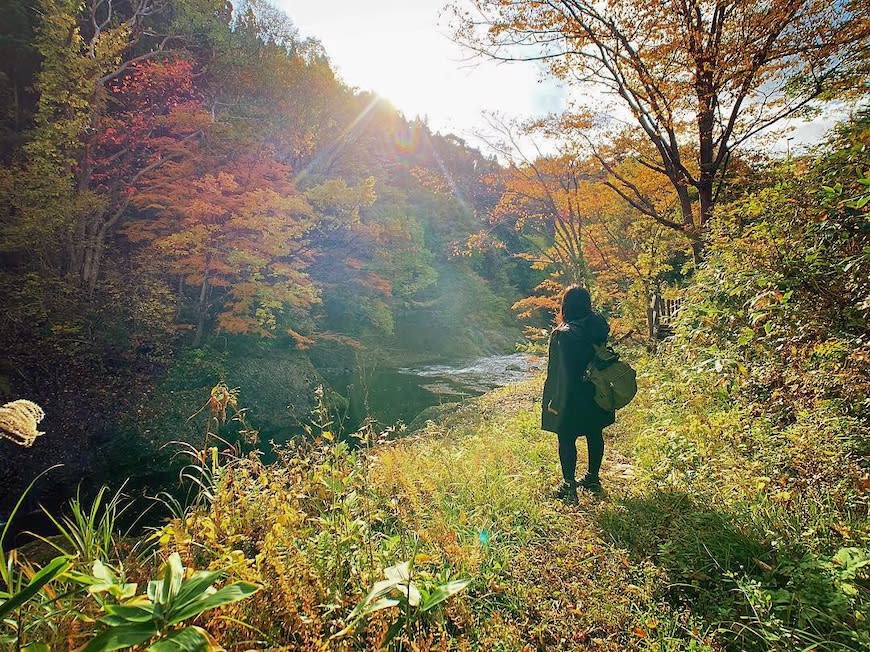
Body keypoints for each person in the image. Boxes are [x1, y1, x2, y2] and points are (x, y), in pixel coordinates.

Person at [541, 285, 614, 502]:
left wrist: (552, 400)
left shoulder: (562, 335)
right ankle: (592, 478)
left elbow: (555, 372)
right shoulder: (599, 327)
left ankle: (569, 486)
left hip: (570, 395)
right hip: (597, 390)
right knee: (595, 432)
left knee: (566, 438)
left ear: (566, 306)